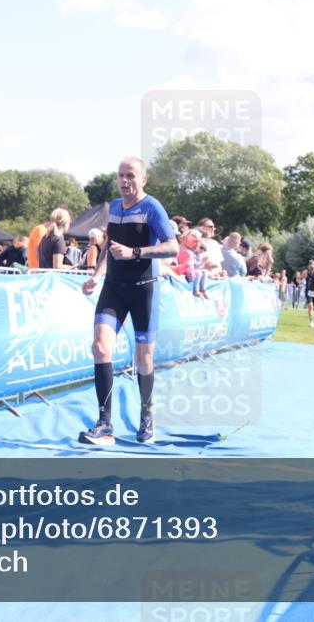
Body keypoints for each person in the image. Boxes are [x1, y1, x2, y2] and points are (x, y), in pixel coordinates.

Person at [80, 157, 178, 446]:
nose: (124, 180)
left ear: (143, 180)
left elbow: (172, 247)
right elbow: (109, 248)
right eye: (121, 175)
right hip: (113, 289)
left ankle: (147, 416)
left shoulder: (152, 207)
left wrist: (135, 252)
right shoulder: (113, 207)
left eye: (131, 175)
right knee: (100, 347)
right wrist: (96, 276)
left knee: (143, 359)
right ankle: (104, 424)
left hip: (143, 290)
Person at [176, 229, 209, 298]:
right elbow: (190, 273)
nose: (198, 244)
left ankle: (202, 290)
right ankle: (195, 290)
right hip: (181, 274)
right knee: (198, 273)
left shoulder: (189, 251)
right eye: (195, 241)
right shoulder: (187, 252)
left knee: (203, 272)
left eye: (199, 241)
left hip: (182, 272)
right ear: (186, 240)